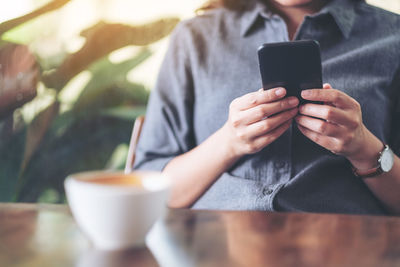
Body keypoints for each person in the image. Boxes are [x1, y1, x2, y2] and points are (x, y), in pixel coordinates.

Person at [134, 0, 400, 215]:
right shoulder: (195, 38)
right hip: (216, 245)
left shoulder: (392, 37)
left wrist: (364, 148)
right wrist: (228, 143)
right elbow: (146, 189)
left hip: (346, 244)